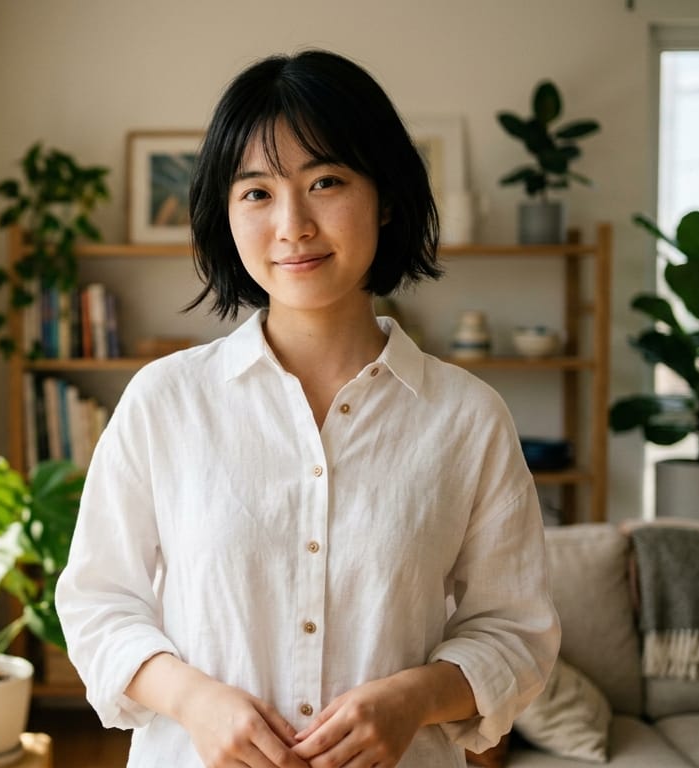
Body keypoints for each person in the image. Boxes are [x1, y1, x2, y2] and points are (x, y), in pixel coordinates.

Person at [55, 49, 560, 768]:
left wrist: (414, 697)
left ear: (383, 196)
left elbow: (517, 631)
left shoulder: (467, 419)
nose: (292, 224)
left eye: (326, 182)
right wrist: (193, 699)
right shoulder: (165, 403)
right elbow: (97, 603)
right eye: (256, 192)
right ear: (225, 215)